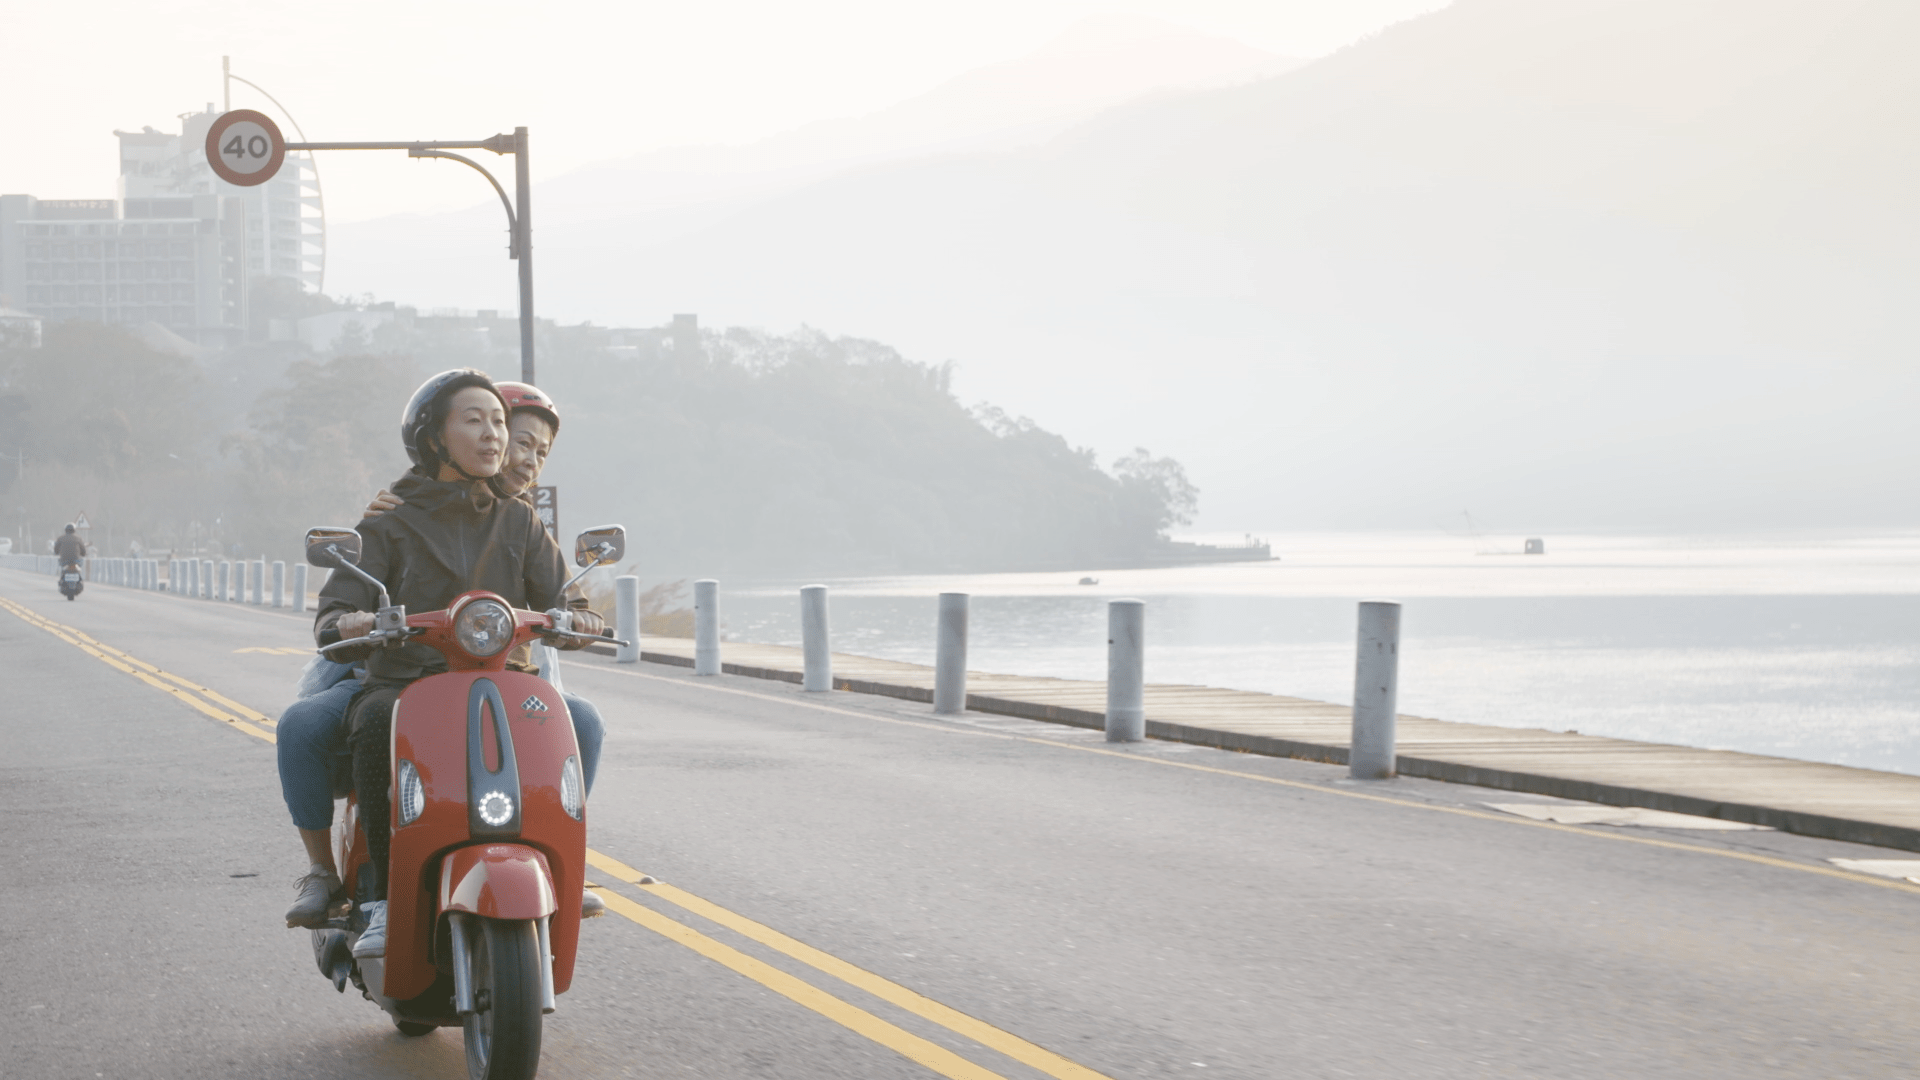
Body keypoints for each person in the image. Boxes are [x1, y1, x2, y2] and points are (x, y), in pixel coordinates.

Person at [277, 372, 605, 941]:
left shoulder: (520, 520)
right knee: (368, 720)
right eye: (474, 421)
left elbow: (567, 602)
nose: (493, 434)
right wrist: (350, 621)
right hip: (406, 682)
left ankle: (563, 866)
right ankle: (374, 896)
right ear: (433, 438)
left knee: (584, 721)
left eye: (499, 422)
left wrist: (579, 620)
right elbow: (334, 614)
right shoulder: (390, 518)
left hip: (503, 680)